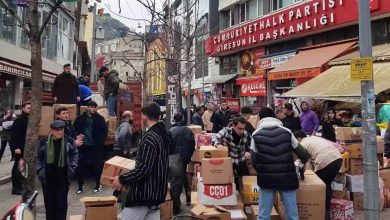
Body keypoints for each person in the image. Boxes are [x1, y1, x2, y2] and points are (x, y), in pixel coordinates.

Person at [110, 102, 169, 220]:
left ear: (145, 116)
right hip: (157, 194)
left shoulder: (150, 137)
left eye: (142, 115)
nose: (141, 118)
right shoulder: (162, 134)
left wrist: (121, 178)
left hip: (144, 195)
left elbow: (143, 170)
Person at [251, 107, 309, 220]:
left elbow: (253, 161)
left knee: (263, 215)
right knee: (292, 215)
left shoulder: (256, 134)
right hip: (286, 177)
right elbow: (302, 153)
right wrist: (301, 165)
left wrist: (263, 171)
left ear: (260, 118)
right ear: (274, 117)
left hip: (266, 179)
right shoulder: (287, 132)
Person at [294, 131, 342, 220]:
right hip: (337, 159)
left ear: (299, 138)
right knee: (326, 184)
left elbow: (302, 161)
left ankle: (316, 210)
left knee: (317, 187)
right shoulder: (313, 138)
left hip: (325, 161)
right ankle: (326, 211)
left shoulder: (304, 143)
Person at [37, 120, 78, 220]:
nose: (60, 132)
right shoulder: (43, 142)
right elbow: (38, 158)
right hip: (48, 178)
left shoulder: (69, 141)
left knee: (61, 206)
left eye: (62, 129)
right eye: (57, 130)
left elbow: (75, 155)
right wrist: (40, 171)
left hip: (63, 178)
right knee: (50, 206)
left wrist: (73, 168)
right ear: (51, 130)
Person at [74, 101, 108, 194]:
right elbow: (75, 129)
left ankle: (98, 184)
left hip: (95, 146)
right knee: (81, 166)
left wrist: (100, 143)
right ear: (87, 107)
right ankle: (80, 186)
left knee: (96, 166)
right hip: (83, 146)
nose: (93, 108)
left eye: (94, 107)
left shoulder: (100, 119)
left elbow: (104, 131)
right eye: (91, 107)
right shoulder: (80, 118)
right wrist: (77, 137)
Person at [212, 116, 251, 189]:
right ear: (233, 126)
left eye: (243, 129)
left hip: (241, 160)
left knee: (247, 181)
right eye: (239, 128)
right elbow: (214, 137)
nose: (242, 131)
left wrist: (248, 151)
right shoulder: (226, 131)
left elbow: (252, 144)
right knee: (227, 182)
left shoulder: (246, 134)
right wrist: (218, 145)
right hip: (228, 160)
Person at [169, 113, 195, 214]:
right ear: (183, 119)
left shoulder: (171, 131)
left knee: (177, 178)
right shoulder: (188, 130)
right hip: (185, 157)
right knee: (183, 174)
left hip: (175, 159)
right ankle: (188, 194)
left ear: (174, 120)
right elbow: (193, 144)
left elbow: (169, 146)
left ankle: (178, 200)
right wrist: (189, 155)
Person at [10, 102, 31, 195]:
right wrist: (16, 147)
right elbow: (15, 135)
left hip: (26, 146)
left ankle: (21, 185)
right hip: (19, 147)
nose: (30, 109)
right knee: (17, 167)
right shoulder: (19, 120)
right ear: (23, 108)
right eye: (28, 108)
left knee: (22, 167)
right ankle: (16, 187)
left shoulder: (29, 119)